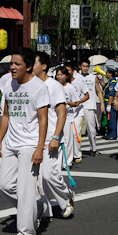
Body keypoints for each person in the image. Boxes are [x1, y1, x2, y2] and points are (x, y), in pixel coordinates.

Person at [0, 47, 49, 235]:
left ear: (28, 66)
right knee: (5, 184)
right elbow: (6, 115)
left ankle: (27, 233)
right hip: (11, 142)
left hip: (29, 144)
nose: (12, 67)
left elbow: (43, 120)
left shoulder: (38, 87)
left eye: (17, 64)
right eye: (11, 63)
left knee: (26, 189)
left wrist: (39, 148)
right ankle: (34, 207)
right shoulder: (9, 84)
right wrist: (0, 140)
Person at [34, 51, 74, 220]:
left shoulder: (54, 86)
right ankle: (44, 209)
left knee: (48, 174)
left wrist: (56, 136)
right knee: (36, 178)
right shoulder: (30, 85)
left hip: (50, 137)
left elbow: (62, 113)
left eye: (33, 63)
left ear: (43, 66)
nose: (30, 66)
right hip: (33, 138)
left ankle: (66, 196)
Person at [56, 66, 83, 169]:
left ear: (66, 76)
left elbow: (76, 103)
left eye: (61, 75)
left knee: (67, 141)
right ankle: (58, 162)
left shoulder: (70, 88)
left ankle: (67, 162)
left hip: (68, 117)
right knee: (58, 140)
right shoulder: (54, 86)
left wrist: (68, 103)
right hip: (57, 118)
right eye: (58, 75)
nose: (59, 77)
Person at [78, 59, 104, 157]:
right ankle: (77, 151)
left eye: (86, 66)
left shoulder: (93, 78)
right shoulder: (76, 77)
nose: (85, 68)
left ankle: (93, 148)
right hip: (78, 107)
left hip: (89, 106)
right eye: (83, 66)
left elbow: (98, 91)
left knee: (91, 130)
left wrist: (102, 103)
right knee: (77, 130)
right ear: (80, 66)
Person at [103, 68, 118, 140]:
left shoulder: (112, 83)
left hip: (110, 102)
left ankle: (113, 134)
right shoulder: (110, 82)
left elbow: (111, 94)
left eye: (107, 73)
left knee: (111, 118)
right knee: (109, 119)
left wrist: (109, 104)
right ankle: (110, 133)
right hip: (107, 101)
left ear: (110, 74)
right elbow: (104, 88)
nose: (106, 74)